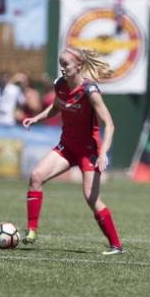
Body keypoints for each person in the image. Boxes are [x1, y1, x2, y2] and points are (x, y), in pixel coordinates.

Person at [21, 47, 124, 255]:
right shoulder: (60, 85)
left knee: (90, 197)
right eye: (61, 64)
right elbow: (55, 108)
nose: (62, 68)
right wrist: (37, 118)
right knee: (36, 176)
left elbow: (110, 124)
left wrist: (103, 153)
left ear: (78, 66)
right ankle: (31, 231)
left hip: (88, 150)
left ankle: (117, 246)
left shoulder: (90, 91)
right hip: (67, 146)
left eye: (66, 64)